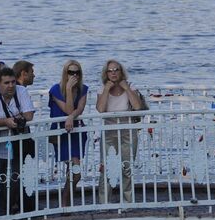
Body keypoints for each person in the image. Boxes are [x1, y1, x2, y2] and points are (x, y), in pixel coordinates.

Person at [0, 66, 34, 214]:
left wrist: (15, 120)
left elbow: (29, 115)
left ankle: (10, 208)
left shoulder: (21, 91)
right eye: (6, 83)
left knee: (15, 179)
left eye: (13, 82)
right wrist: (5, 122)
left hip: (17, 144)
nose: (10, 86)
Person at [95, 59, 147, 202]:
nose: (113, 73)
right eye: (110, 71)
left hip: (128, 130)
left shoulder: (130, 86)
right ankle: (104, 202)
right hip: (108, 131)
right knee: (106, 168)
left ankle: (128, 201)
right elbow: (100, 109)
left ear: (121, 71)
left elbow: (137, 107)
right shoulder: (102, 88)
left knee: (127, 167)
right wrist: (106, 89)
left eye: (116, 70)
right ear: (106, 73)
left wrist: (127, 89)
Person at [49, 60, 89, 205]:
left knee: (74, 170)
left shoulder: (83, 89)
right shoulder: (55, 90)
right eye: (71, 72)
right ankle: (65, 201)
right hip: (62, 133)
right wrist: (68, 89)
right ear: (65, 73)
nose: (74, 75)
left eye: (77, 72)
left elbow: (77, 110)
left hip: (77, 131)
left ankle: (67, 200)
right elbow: (68, 109)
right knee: (74, 170)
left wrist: (72, 117)